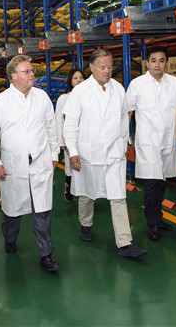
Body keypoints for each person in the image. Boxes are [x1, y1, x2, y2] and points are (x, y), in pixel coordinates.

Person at [63, 49, 147, 259]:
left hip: (114, 153)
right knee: (87, 193)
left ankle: (125, 243)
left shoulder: (118, 88)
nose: (107, 71)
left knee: (118, 197)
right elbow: (70, 125)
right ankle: (86, 224)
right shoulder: (80, 92)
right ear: (91, 67)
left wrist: (123, 143)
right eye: (102, 67)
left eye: (110, 67)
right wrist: (73, 151)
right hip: (88, 153)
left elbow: (124, 118)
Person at [0, 55, 61, 272]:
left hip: (40, 161)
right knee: (12, 211)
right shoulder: (1, 101)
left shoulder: (42, 97)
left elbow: (51, 127)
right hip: (13, 165)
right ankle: (10, 239)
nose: (31, 74)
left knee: (43, 210)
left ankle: (46, 254)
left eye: (31, 71)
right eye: (26, 71)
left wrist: (54, 154)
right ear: (13, 76)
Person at [125, 45, 176, 241]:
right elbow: (128, 111)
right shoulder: (137, 84)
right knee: (152, 183)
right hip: (147, 142)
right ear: (147, 63)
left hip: (166, 141)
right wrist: (123, 137)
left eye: (161, 61)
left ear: (166, 63)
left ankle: (158, 218)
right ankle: (152, 223)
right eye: (153, 61)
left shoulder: (174, 83)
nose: (157, 65)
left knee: (162, 182)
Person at [55, 68, 85, 202]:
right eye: (75, 78)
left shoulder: (89, 96)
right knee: (70, 164)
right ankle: (69, 187)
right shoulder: (64, 98)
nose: (79, 80)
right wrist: (61, 141)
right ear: (70, 81)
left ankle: (83, 190)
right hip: (69, 137)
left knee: (85, 165)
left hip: (85, 137)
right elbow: (59, 120)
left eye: (81, 78)